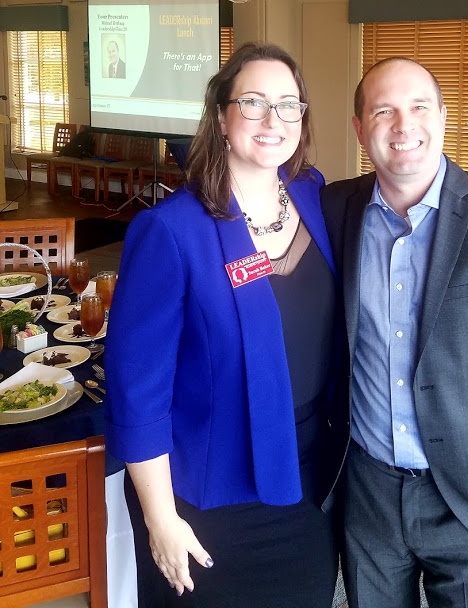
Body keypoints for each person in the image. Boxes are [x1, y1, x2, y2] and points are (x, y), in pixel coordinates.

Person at [321, 56, 468, 608]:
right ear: (359, 128)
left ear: (444, 116)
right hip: (369, 493)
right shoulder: (335, 208)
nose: (403, 125)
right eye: (383, 111)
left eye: (418, 107)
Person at [104, 42, 343, 608]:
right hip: (210, 503)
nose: (272, 119)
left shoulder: (315, 197)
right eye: (253, 102)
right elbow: (138, 392)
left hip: (311, 485)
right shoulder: (171, 231)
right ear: (220, 117)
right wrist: (161, 518)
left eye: (288, 104)